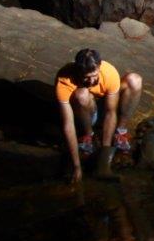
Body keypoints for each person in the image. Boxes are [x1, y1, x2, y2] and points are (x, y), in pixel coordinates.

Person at [55, 48, 143, 183]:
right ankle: (88, 135)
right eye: (86, 77)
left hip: (104, 107)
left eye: (94, 76)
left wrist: (105, 153)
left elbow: (110, 111)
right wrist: (77, 166)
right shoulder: (64, 79)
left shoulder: (108, 72)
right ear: (78, 71)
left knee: (135, 80)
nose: (91, 81)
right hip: (85, 111)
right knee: (82, 94)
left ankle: (121, 132)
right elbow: (68, 123)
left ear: (99, 66)